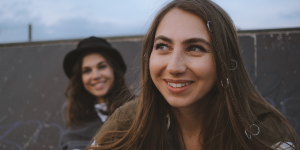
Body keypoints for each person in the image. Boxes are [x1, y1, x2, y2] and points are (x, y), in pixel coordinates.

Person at [88, 0, 299, 150]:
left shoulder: (260, 134)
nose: (174, 67)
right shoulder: (128, 121)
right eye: (163, 46)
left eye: (195, 48)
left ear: (224, 60)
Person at [59, 36, 132, 150]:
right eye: (87, 71)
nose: (96, 76)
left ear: (114, 69)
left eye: (102, 66)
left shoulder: (139, 110)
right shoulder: (72, 114)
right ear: (80, 77)